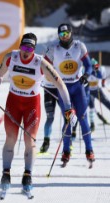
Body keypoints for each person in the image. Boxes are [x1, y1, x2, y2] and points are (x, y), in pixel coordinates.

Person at [0, 33, 73, 192]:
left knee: (30, 141)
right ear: (20, 46)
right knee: (11, 138)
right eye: (23, 47)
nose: (25, 51)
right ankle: (6, 174)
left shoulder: (40, 63)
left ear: (34, 50)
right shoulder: (11, 57)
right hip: (13, 102)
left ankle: (27, 175)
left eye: (29, 48)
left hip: (32, 105)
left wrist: (68, 107)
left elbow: (60, 84)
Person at [44, 23, 94, 167]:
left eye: (66, 34)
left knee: (82, 118)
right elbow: (43, 66)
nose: (64, 37)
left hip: (78, 86)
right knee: (68, 119)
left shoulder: (79, 46)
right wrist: (47, 76)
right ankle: (66, 151)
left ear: (71, 33)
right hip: (63, 88)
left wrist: (86, 75)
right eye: (61, 35)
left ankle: (89, 150)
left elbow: (89, 65)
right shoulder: (54, 48)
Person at [86, 58, 110, 129]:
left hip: (97, 90)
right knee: (91, 106)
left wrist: (97, 71)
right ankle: (92, 124)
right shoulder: (87, 69)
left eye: (95, 66)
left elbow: (102, 76)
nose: (94, 67)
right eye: (93, 66)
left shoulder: (99, 69)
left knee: (106, 102)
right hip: (89, 90)